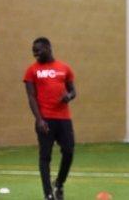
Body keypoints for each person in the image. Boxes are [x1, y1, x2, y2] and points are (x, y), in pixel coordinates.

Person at [23, 37, 76, 200]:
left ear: (48, 47)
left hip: (64, 119)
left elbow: (73, 91)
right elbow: (31, 97)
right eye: (33, 51)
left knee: (68, 151)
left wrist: (68, 96)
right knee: (45, 157)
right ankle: (48, 195)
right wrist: (39, 120)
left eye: (38, 50)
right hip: (45, 119)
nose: (35, 54)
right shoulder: (31, 71)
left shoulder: (65, 68)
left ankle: (59, 183)